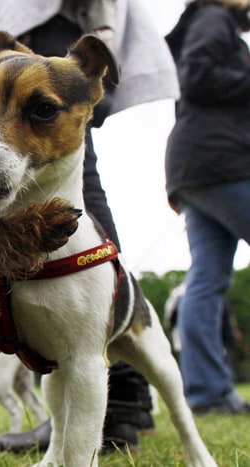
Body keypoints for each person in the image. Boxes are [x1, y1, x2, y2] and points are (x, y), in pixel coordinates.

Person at [0, 0, 180, 453]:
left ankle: (114, 390)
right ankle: (96, 406)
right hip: (31, 35)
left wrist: (101, 31)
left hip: (60, 24)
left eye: (40, 110)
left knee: (69, 183)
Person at [164, 0, 250, 415]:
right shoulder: (214, 18)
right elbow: (198, 77)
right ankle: (208, 391)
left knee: (206, 279)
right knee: (206, 281)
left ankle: (209, 393)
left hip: (196, 167)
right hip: (226, 163)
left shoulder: (200, 24)